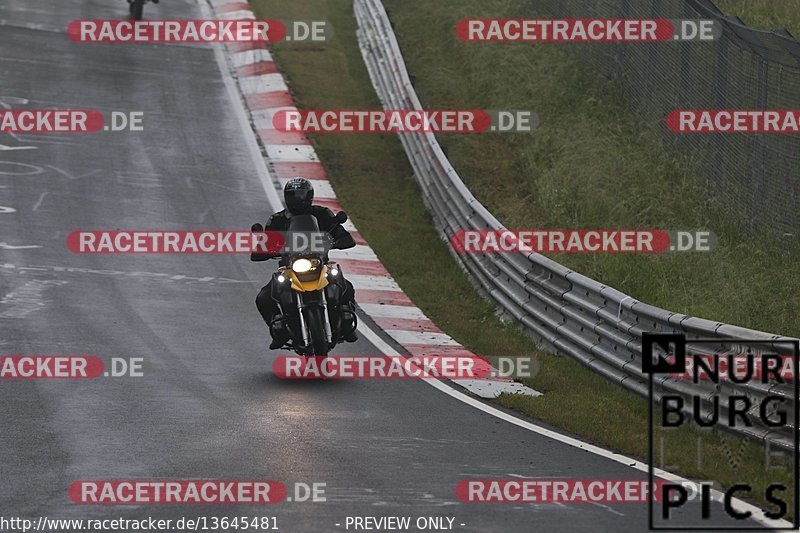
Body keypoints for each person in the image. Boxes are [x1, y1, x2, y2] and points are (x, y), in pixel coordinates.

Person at [252, 177, 358, 349]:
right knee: (263, 297)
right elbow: (264, 244)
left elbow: (341, 233)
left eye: (301, 195)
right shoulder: (277, 219)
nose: (297, 199)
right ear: (286, 197)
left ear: (309, 196)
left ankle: (346, 321)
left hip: (320, 264)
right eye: (293, 195)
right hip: (289, 268)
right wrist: (262, 250)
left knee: (344, 284)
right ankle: (279, 328)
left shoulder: (323, 214)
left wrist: (338, 239)